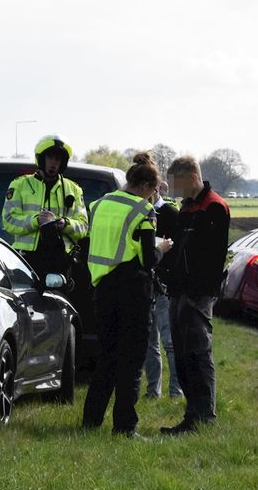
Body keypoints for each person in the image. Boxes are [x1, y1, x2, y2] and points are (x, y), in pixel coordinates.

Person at [82, 153, 173, 438]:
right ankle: (125, 426)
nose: (153, 196)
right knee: (132, 361)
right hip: (133, 289)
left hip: (102, 287)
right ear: (145, 186)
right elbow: (147, 258)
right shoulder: (144, 211)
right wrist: (163, 248)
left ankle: (90, 420)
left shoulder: (98, 205)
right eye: (154, 190)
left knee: (107, 357)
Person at [160, 156, 230, 436]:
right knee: (183, 355)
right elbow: (179, 251)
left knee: (198, 354)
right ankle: (192, 414)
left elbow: (212, 259)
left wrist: (196, 292)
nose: (171, 187)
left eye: (175, 181)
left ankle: (203, 417)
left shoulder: (213, 206)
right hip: (179, 293)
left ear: (190, 177)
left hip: (197, 296)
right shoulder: (187, 207)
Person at [1, 135, 89, 279]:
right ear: (41, 159)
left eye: (58, 159)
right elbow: (9, 221)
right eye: (50, 158)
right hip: (26, 261)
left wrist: (64, 223)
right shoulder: (19, 185)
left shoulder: (74, 189)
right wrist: (36, 221)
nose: (54, 163)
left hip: (61, 262)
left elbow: (83, 226)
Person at [143, 179, 183, 399]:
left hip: (164, 285)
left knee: (169, 341)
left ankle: (176, 391)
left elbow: (177, 252)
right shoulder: (140, 212)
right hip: (145, 284)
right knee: (149, 342)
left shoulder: (170, 215)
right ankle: (152, 391)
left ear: (155, 189)